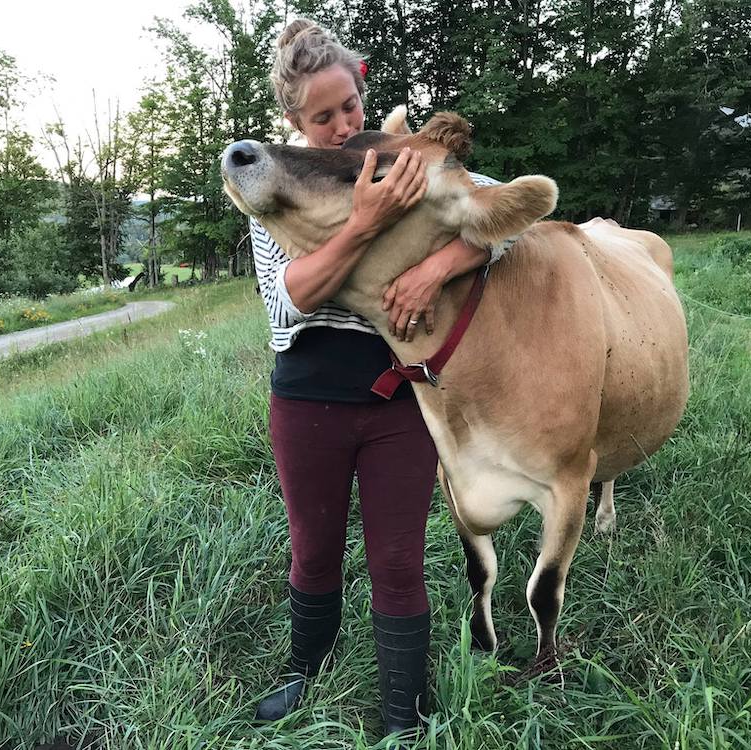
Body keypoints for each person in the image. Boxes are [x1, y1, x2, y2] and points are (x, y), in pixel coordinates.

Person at [251, 18, 501, 738]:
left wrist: (436, 266)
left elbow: (502, 218)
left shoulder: (400, 160)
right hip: (307, 401)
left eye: (350, 106)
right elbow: (288, 301)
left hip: (400, 397)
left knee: (397, 559)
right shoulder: (278, 183)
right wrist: (365, 223)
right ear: (294, 121)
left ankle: (404, 713)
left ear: (363, 92)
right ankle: (306, 671)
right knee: (314, 546)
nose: (341, 126)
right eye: (322, 116)